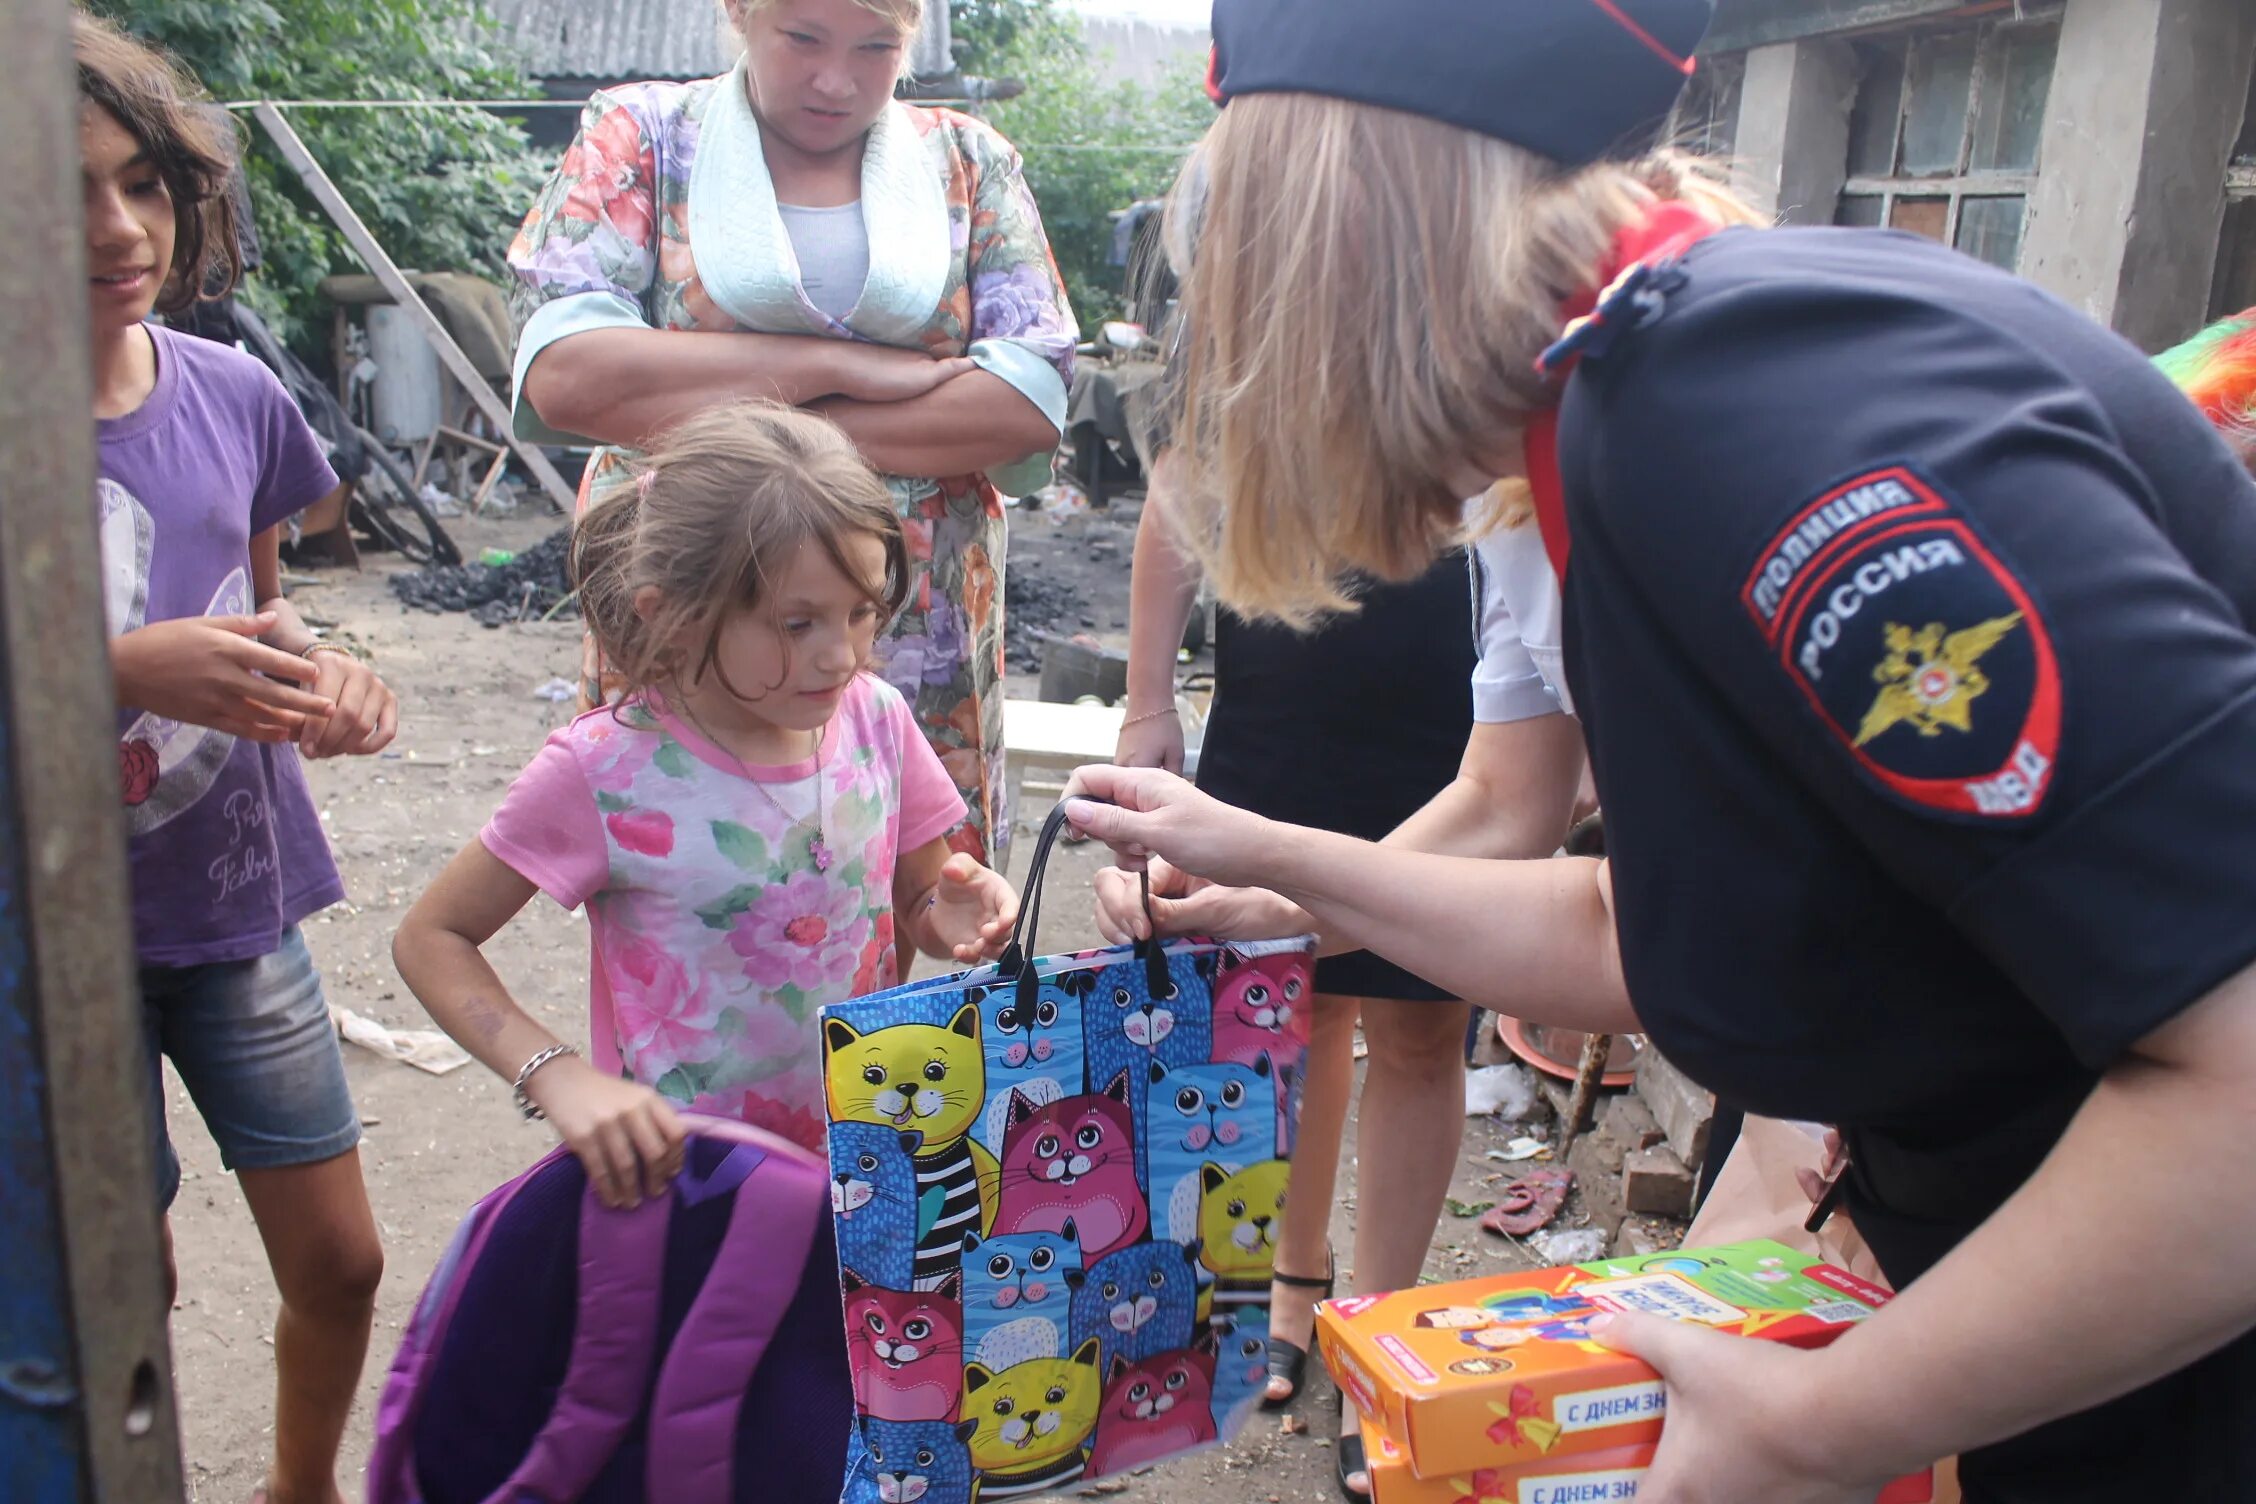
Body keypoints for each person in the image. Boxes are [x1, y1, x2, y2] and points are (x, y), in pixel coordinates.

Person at [1064, 2, 2256, 1500]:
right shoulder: (1627, 402)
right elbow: (1643, 924)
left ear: (1323, 227)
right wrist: (1274, 862)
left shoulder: (1738, 408)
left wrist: (1824, 1426)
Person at [395, 403, 1020, 1203]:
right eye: (797, 623)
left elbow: (921, 896)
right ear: (675, 616)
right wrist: (554, 1075)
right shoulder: (604, 770)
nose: (840, 654)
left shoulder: (876, 720)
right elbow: (431, 937)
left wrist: (953, 912)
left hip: (862, 1172)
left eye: (861, 611)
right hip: (684, 1191)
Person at [506, 0, 1077, 869]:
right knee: (689, 874)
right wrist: (834, 365)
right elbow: (570, 377)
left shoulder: (967, 161)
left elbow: (1023, 406)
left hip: (905, 611)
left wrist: (743, 407)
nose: (836, 80)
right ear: (741, 10)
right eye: (803, 38)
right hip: (699, 597)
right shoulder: (644, 138)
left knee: (919, 879)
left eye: (876, 48)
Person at [78, 17, 398, 1504]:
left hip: (234, 898)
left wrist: (325, 685)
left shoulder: (233, 395)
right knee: (103, 1288)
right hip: (51, 938)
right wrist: (111, 673)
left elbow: (267, 614)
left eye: (143, 184)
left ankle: (298, 1489)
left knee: (341, 1261)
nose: (118, 229)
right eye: (63, 191)